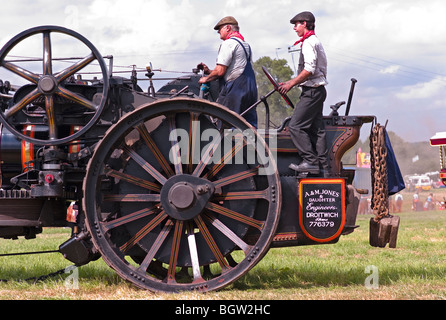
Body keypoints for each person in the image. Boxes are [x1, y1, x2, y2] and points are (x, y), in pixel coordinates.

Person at [278, 11, 328, 175]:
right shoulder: (314, 41)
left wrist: (291, 83)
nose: (294, 28)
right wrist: (288, 82)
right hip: (317, 91)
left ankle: (310, 161)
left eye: (296, 24)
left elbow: (309, 69)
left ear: (305, 24)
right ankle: (324, 167)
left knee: (295, 126)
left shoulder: (308, 42)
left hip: (312, 92)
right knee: (317, 131)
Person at [198, 16, 258, 128]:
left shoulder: (228, 43)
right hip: (251, 89)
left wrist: (206, 78)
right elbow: (234, 68)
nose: (218, 32)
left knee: (228, 124)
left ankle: (230, 145)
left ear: (228, 28)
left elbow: (220, 71)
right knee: (249, 126)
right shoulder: (245, 45)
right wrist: (209, 71)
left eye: (219, 29)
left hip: (236, 90)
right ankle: (252, 145)